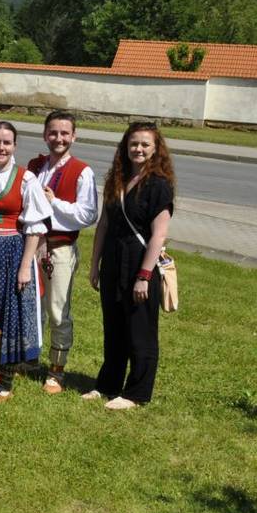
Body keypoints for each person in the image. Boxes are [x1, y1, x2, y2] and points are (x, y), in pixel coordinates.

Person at [86, 122, 174, 410]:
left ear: (155, 149)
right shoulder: (117, 180)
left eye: (145, 144)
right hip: (113, 261)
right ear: (125, 147)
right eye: (133, 144)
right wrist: (94, 264)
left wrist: (144, 276)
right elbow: (104, 224)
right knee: (113, 328)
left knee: (140, 330)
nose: (138, 149)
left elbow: (159, 234)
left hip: (140, 264)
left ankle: (136, 392)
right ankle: (108, 384)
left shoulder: (159, 185)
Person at [0, 121, 53, 404]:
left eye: (6, 142)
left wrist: (26, 265)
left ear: (15, 146)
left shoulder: (25, 179)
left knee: (5, 312)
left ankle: (4, 381)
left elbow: (35, 226)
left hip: (9, 253)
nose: (0, 147)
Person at [27, 111, 99, 394]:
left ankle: (56, 370)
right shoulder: (35, 165)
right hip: (33, 246)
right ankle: (30, 357)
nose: (58, 138)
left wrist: (54, 202)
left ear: (74, 136)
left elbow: (87, 214)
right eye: (53, 133)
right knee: (32, 307)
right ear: (45, 135)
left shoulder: (82, 170)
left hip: (60, 247)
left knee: (57, 310)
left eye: (64, 133)